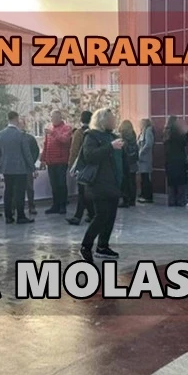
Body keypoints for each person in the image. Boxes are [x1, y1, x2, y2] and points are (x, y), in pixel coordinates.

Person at [78, 108, 125, 263]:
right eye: (111, 119)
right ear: (103, 121)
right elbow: (89, 156)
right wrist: (110, 147)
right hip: (98, 183)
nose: (114, 121)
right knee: (101, 216)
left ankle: (102, 246)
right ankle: (85, 246)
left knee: (110, 216)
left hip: (113, 182)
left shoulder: (112, 136)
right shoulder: (91, 136)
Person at [0, 111, 35, 224]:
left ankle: (8, 216)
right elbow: (27, 153)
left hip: (6, 168)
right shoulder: (21, 135)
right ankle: (21, 216)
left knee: (8, 191)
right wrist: (32, 167)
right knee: (20, 192)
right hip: (20, 168)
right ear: (16, 119)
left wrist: (1, 163)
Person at [40, 110, 72, 214]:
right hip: (51, 161)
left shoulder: (67, 128)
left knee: (61, 184)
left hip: (61, 161)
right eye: (52, 118)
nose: (53, 120)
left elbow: (65, 140)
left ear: (60, 118)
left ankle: (63, 205)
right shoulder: (50, 128)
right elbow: (46, 144)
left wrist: (53, 133)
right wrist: (43, 159)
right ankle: (55, 205)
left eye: (55, 117)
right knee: (53, 185)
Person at [67, 111, 95, 225]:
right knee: (87, 192)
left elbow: (74, 150)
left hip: (82, 166)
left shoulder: (79, 133)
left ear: (81, 120)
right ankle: (91, 214)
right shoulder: (95, 132)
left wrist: (71, 166)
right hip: (92, 167)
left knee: (82, 192)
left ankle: (78, 216)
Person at [163, 116, 188, 207]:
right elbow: (184, 142)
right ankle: (181, 201)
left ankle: (171, 201)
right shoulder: (178, 132)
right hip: (179, 159)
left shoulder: (166, 132)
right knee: (181, 181)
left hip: (169, 160)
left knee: (171, 182)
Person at [20, 118, 40, 216]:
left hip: (27, 167)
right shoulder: (12, 138)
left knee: (29, 188)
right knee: (16, 189)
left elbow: (35, 151)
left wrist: (31, 162)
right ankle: (15, 207)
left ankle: (31, 206)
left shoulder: (30, 138)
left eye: (21, 124)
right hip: (16, 168)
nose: (20, 126)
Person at [118, 119, 139, 208]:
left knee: (125, 182)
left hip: (125, 163)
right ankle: (132, 200)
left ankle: (125, 200)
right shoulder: (133, 136)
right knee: (133, 182)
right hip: (133, 162)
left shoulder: (122, 137)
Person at [137, 118, 155, 203]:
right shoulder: (142, 131)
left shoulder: (148, 131)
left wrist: (141, 152)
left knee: (146, 178)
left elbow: (148, 144)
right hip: (142, 159)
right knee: (143, 177)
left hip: (145, 158)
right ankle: (143, 194)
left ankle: (147, 196)